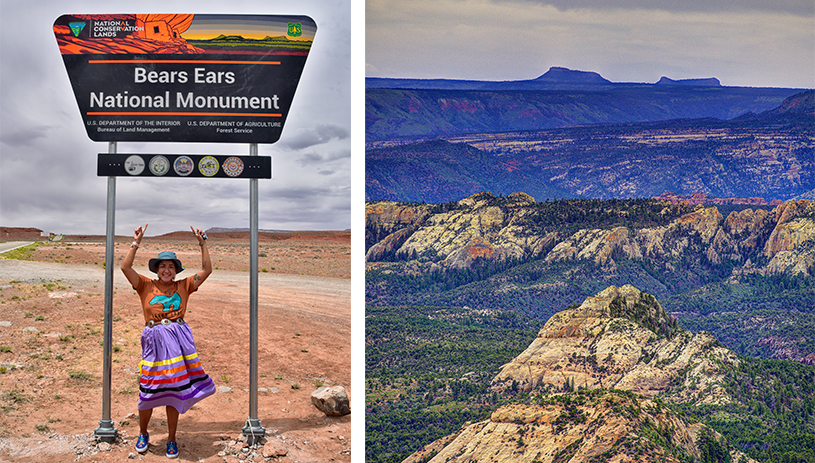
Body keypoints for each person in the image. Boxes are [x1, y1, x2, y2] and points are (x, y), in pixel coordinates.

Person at [120, 223, 217, 459]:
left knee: (174, 390)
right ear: (157, 269)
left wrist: (202, 243)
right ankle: (143, 433)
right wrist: (136, 242)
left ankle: (172, 439)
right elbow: (125, 266)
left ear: (175, 270)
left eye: (170, 266)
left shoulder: (184, 286)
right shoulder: (144, 285)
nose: (166, 270)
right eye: (162, 266)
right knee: (149, 390)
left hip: (178, 342)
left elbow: (207, 269)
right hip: (154, 342)